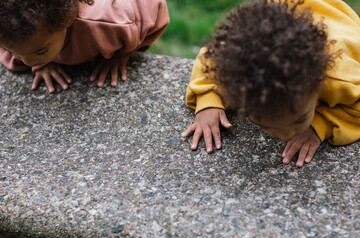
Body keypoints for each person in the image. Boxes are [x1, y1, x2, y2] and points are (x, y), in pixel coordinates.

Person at [182, 0, 360, 167]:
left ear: (318, 87)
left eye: (299, 119)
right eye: (265, 125)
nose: (285, 136)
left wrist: (320, 125)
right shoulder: (243, 62)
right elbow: (209, 59)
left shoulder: (339, 78)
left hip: (337, 17)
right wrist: (208, 101)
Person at [0, 0, 169, 93]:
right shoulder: (9, 26)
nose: (28, 63)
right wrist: (42, 61)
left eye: (40, 51)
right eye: (12, 51)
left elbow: (155, 10)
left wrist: (125, 52)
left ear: (65, 21)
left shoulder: (111, 23)